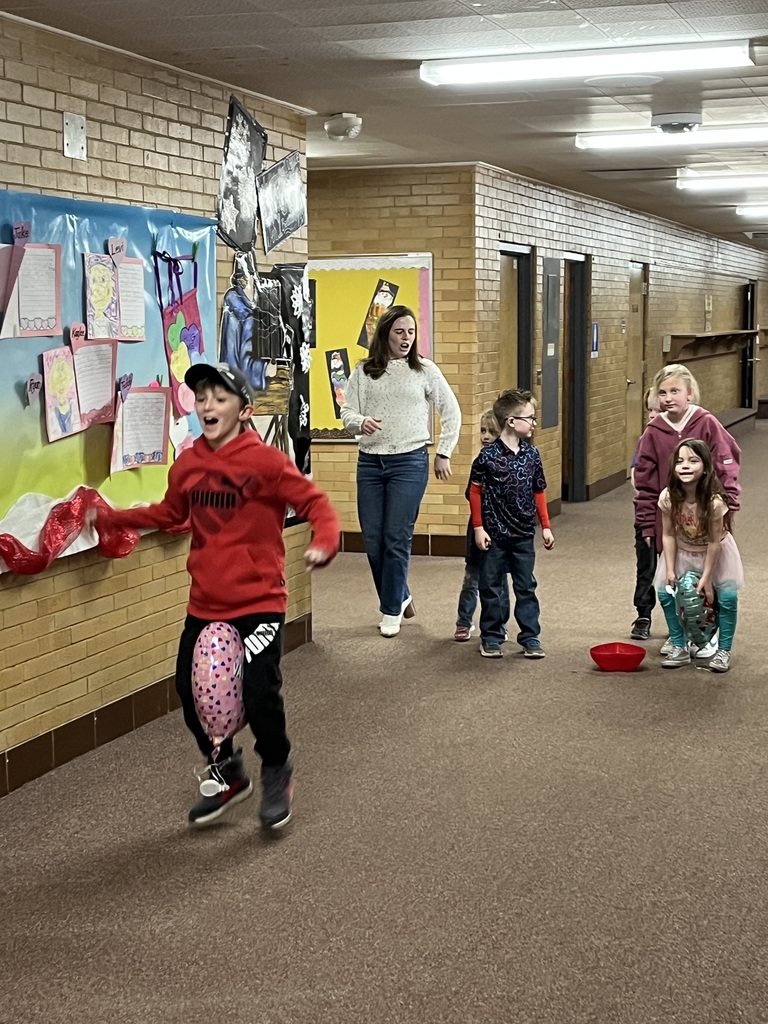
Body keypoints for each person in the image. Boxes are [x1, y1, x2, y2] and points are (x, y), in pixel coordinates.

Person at [95, 362, 340, 829]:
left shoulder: (265, 462)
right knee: (189, 693)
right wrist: (115, 518)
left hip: (260, 602)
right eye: (202, 397)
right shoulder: (189, 463)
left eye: (220, 397)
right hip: (205, 603)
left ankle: (276, 768)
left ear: (244, 410)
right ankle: (227, 770)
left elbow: (316, 503)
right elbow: (169, 513)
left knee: (258, 690)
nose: (208, 405)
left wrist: (324, 541)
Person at [340, 304, 461, 637]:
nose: (406, 338)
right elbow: (346, 411)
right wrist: (358, 422)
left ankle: (390, 609)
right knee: (373, 538)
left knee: (396, 537)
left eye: (411, 332)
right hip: (370, 462)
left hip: (409, 462)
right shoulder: (364, 371)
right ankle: (400, 593)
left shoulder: (424, 370)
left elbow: (452, 412)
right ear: (385, 334)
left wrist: (444, 452)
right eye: (399, 332)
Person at [633, 363, 740, 656]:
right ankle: (680, 633)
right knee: (675, 581)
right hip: (673, 518)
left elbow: (726, 461)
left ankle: (708, 633)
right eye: (663, 392)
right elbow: (644, 480)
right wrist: (645, 522)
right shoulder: (654, 431)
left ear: (689, 394)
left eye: (675, 391)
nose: (668, 398)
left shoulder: (706, 422)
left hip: (707, 514)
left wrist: (728, 504)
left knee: (712, 579)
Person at [469, 388, 555, 659]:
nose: (533, 423)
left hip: (523, 534)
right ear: (511, 422)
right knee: (491, 586)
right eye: (529, 418)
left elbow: (538, 490)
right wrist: (478, 528)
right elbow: (474, 492)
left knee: (526, 586)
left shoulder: (532, 455)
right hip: (494, 534)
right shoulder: (487, 457)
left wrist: (546, 525)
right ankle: (492, 636)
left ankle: (530, 636)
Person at [655, 438, 743, 672]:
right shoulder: (668, 497)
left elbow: (715, 543)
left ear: (705, 468)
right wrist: (671, 569)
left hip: (715, 554)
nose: (685, 466)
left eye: (693, 461)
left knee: (726, 598)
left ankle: (723, 650)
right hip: (683, 550)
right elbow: (669, 535)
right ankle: (679, 645)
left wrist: (706, 578)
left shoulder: (714, 502)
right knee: (665, 593)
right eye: (680, 461)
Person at [453, 409, 510, 642]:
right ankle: (464, 622)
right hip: (478, 528)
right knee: (472, 578)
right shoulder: (480, 462)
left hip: (502, 530)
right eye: (483, 431)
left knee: (500, 581)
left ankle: (499, 625)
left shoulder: (510, 463)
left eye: (492, 432)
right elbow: (470, 492)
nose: (485, 436)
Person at [629, 388, 661, 641]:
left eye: (658, 411)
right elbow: (636, 478)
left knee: (681, 569)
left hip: (681, 517)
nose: (652, 416)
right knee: (646, 566)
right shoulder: (646, 440)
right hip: (649, 514)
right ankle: (643, 614)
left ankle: (683, 619)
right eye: (649, 410)